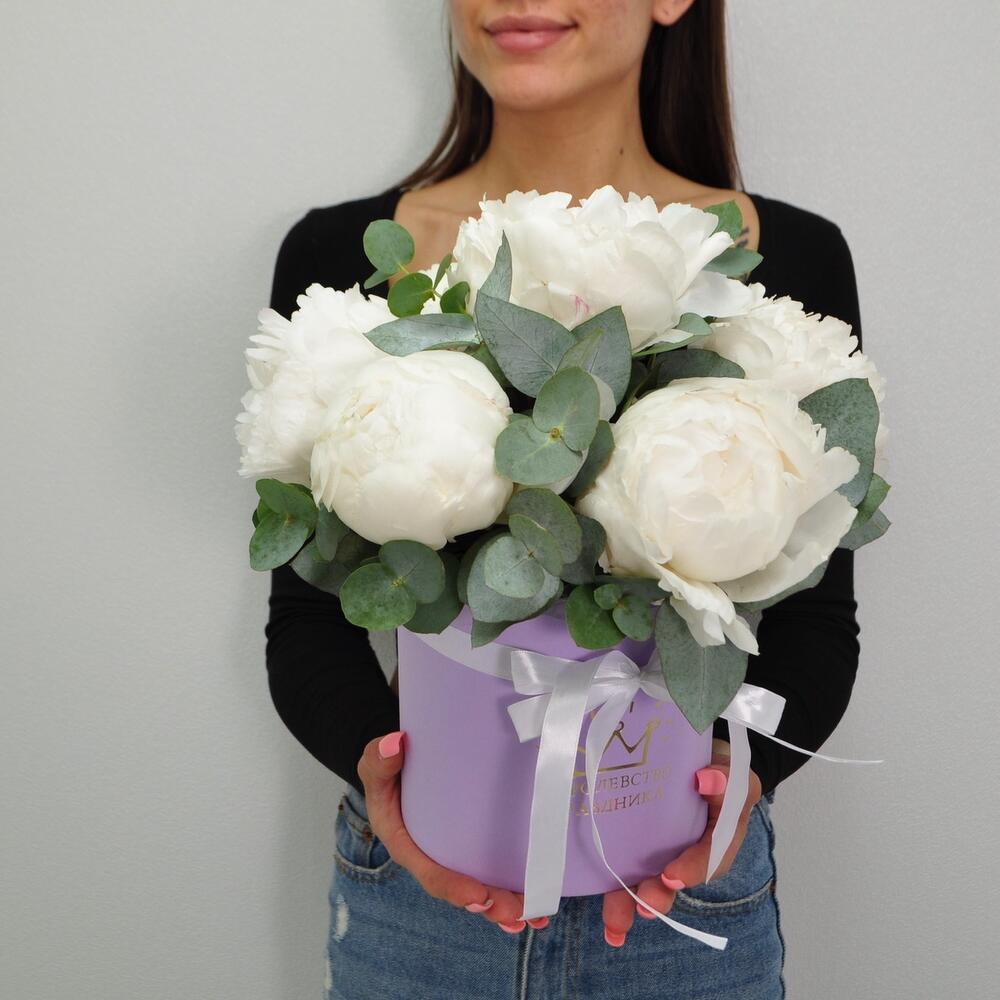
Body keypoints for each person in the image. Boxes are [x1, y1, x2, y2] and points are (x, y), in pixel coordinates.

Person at [263, 3, 864, 997]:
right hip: (419, 898)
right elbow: (308, 618)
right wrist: (386, 780)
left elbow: (816, 618)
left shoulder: (783, 262)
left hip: (681, 901)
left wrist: (733, 781)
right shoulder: (344, 263)